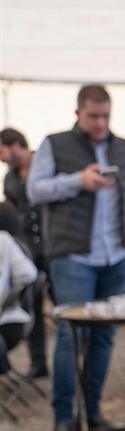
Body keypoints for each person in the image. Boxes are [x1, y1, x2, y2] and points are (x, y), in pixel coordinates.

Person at [27, 85, 125, 431]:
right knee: (70, 335)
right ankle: (64, 418)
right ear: (78, 112)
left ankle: (91, 413)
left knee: (105, 335)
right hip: (72, 256)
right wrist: (78, 181)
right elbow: (35, 189)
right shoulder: (54, 143)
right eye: (93, 116)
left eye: (105, 116)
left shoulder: (123, 146)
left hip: (117, 255)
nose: (100, 123)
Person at [0, 127, 49, 378]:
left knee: (67, 307)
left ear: (16, 145)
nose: (1, 159)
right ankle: (39, 363)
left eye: (2, 152)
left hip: (54, 247)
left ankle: (76, 362)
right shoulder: (9, 179)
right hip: (29, 250)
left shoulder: (46, 164)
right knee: (32, 306)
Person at [0, 202, 38, 377]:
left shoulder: (3, 240)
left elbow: (29, 274)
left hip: (7, 322)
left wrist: (8, 298)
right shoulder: (7, 240)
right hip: (14, 320)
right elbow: (29, 274)